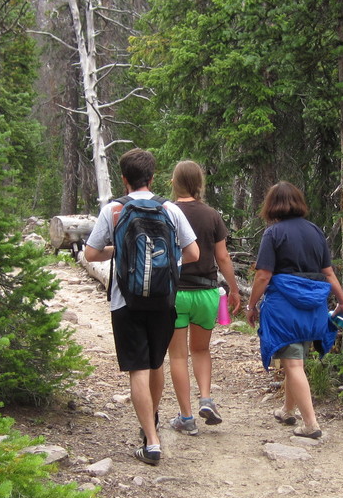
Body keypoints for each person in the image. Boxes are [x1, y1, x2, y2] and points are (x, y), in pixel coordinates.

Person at [84, 149, 199, 465]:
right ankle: (153, 420)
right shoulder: (170, 210)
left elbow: (91, 255)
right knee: (155, 363)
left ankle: (151, 442)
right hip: (164, 299)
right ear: (152, 177)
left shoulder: (115, 210)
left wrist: (117, 249)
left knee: (137, 368)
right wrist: (167, 262)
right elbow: (193, 253)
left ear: (124, 179)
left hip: (126, 301)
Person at [246, 181, 343, 440]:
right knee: (297, 360)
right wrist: (342, 302)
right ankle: (287, 410)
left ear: (271, 205)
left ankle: (310, 424)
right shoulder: (315, 231)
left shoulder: (273, 233)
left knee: (292, 363)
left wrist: (252, 304)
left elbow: (263, 275)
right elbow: (328, 273)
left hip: (285, 307)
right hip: (313, 307)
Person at [166, 161, 242, 436]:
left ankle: (186, 417)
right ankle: (206, 398)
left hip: (175, 295)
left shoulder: (167, 211)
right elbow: (222, 257)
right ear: (200, 183)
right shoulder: (212, 215)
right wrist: (234, 289)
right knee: (201, 350)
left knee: (177, 355)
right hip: (207, 292)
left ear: (174, 182)